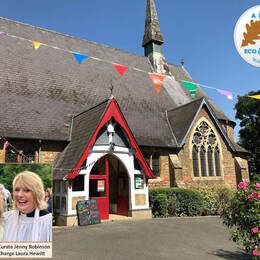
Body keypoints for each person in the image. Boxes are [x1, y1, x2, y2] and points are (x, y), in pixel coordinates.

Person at [3, 171, 52, 242]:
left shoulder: (47, 222)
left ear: (37, 193)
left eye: (26, 190)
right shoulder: (5, 219)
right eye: (17, 190)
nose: (20, 195)